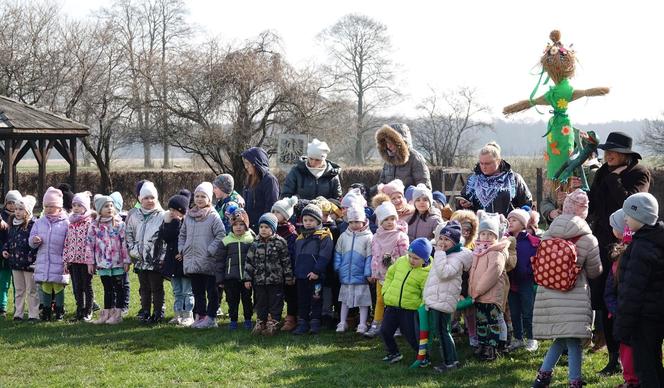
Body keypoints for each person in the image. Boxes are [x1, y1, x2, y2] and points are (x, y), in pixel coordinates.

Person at [587, 131, 651, 375]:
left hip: (628, 244)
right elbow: (594, 203)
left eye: (614, 151)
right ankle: (613, 357)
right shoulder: (603, 171)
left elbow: (632, 205)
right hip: (602, 241)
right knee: (604, 298)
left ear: (627, 154)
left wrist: (615, 180)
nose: (609, 155)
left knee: (623, 299)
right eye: (606, 151)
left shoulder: (639, 173)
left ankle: (630, 358)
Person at [531, 190, 602, 388]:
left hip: (549, 292)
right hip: (574, 293)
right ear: (584, 213)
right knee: (574, 341)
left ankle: (543, 377)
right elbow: (595, 271)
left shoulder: (548, 234)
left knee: (562, 337)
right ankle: (574, 381)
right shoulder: (588, 239)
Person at [614, 193, 664, 387]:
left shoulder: (641, 248)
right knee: (654, 362)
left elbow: (632, 290)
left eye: (628, 214)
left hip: (643, 318)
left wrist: (623, 324)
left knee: (645, 367)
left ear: (640, 217)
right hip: (656, 314)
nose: (625, 218)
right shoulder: (656, 240)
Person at [423, 221, 473, 373]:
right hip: (437, 299)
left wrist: (438, 253)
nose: (443, 243)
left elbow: (443, 273)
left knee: (443, 331)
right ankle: (452, 360)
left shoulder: (457, 258)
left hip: (443, 301)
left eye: (447, 240)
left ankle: (449, 363)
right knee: (442, 331)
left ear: (455, 242)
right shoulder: (447, 254)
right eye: (441, 238)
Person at [179, 182, 226, 329]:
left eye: (203, 196)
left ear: (209, 199)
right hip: (192, 260)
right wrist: (182, 249)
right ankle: (201, 316)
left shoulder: (213, 216)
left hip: (208, 260)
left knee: (211, 291)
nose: (199, 199)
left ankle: (211, 317)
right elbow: (182, 234)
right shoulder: (189, 216)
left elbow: (221, 235)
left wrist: (210, 250)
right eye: (197, 196)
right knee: (197, 291)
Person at [379, 238, 432, 364]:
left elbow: (426, 292)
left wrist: (421, 306)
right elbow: (390, 275)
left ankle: (424, 357)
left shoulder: (427, 273)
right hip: (392, 305)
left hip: (409, 309)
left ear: (424, 259)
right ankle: (394, 353)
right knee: (385, 331)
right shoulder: (401, 261)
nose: (411, 260)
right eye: (410, 256)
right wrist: (386, 292)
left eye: (416, 258)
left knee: (411, 336)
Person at [603, 209, 638, 388]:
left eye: (613, 226)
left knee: (633, 348)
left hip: (629, 311)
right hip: (622, 311)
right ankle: (631, 380)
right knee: (627, 348)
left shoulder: (627, 255)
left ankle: (634, 380)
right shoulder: (619, 255)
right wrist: (615, 309)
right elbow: (610, 289)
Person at [469, 211, 510, 361]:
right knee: (481, 322)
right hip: (478, 296)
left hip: (490, 296)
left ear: (496, 236)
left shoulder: (496, 252)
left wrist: (477, 290)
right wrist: (472, 290)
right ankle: (483, 344)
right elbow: (473, 273)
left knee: (493, 322)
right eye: (483, 233)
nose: (486, 237)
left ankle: (493, 347)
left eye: (490, 234)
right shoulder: (478, 251)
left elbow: (491, 274)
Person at [243, 213, 293, 336]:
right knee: (261, 302)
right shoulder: (255, 243)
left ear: (273, 228)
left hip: (275, 280)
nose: (263, 230)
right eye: (261, 227)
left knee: (275, 302)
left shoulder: (280, 242)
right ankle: (261, 321)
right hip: (259, 280)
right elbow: (249, 262)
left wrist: (288, 277)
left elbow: (286, 261)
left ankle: (274, 322)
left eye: (267, 227)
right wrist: (247, 278)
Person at [366, 201, 409, 338]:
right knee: (380, 300)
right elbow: (374, 256)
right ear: (380, 221)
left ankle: (396, 326)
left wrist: (395, 263)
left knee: (395, 301)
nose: (390, 222)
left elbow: (405, 256)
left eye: (392, 219)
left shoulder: (400, 236)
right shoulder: (376, 236)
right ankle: (376, 324)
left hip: (396, 275)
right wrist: (373, 272)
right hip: (381, 275)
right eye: (386, 219)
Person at [85, 194, 130, 325]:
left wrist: (126, 260)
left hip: (118, 262)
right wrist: (90, 262)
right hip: (102, 263)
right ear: (99, 209)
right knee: (108, 288)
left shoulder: (120, 224)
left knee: (119, 288)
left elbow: (124, 243)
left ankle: (118, 314)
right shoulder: (94, 226)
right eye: (106, 206)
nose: (109, 208)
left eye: (111, 205)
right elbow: (89, 244)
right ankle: (107, 312)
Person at [126, 181, 166, 324]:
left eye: (152, 198)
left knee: (156, 287)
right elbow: (129, 233)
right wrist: (133, 250)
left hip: (155, 259)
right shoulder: (134, 215)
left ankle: (158, 312)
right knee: (144, 287)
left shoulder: (162, 216)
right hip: (140, 259)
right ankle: (145, 311)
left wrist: (161, 256)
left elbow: (166, 239)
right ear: (140, 199)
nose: (149, 201)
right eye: (146, 198)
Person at [459, 142, 533, 216]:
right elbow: (462, 208)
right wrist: (464, 204)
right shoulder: (473, 180)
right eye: (481, 163)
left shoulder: (514, 179)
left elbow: (527, 204)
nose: (484, 167)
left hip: (508, 225)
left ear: (498, 161)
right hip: (480, 225)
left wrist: (519, 217)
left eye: (488, 163)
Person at [293, 204, 334, 335]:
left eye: (311, 220)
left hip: (316, 276)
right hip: (301, 276)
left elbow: (325, 256)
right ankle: (302, 323)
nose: (308, 223)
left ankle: (315, 323)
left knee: (316, 299)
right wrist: (296, 272)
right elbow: (296, 257)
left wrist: (316, 271)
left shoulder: (324, 236)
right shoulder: (300, 237)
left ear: (318, 220)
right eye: (305, 220)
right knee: (302, 300)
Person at [30, 187, 70, 321]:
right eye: (46, 206)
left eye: (51, 206)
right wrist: (34, 240)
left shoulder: (66, 223)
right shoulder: (39, 222)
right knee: (45, 286)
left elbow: (69, 242)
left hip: (59, 260)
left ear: (59, 207)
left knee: (58, 286)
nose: (48, 209)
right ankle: (46, 310)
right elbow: (31, 240)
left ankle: (59, 310)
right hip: (44, 260)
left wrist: (66, 259)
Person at [505, 207, 541, 352]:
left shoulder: (532, 241)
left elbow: (538, 260)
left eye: (514, 220)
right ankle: (518, 338)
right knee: (514, 312)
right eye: (509, 220)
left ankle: (532, 338)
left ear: (523, 223)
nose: (510, 222)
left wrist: (530, 272)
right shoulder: (506, 240)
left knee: (528, 311)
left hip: (526, 281)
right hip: (511, 281)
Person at [334, 204, 373, 334]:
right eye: (351, 222)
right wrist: (338, 267)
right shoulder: (343, 236)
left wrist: (367, 272)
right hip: (346, 275)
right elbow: (338, 253)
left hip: (360, 276)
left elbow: (369, 256)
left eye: (357, 221)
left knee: (363, 301)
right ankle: (342, 321)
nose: (354, 224)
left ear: (363, 221)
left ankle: (362, 323)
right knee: (344, 300)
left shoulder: (368, 237)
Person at [158, 190, 195, 327]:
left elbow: (190, 240)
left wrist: (183, 252)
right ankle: (177, 314)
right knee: (177, 291)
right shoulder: (170, 222)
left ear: (182, 211)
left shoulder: (188, 224)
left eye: (175, 210)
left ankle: (188, 315)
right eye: (170, 209)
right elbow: (166, 237)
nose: (172, 212)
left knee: (187, 291)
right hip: (173, 263)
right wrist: (169, 223)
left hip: (184, 263)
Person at [217, 208, 255, 331]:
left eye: (241, 224)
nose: (238, 227)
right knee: (232, 300)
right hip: (230, 278)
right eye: (235, 225)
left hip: (246, 278)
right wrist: (220, 279)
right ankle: (233, 320)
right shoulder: (226, 241)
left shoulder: (251, 240)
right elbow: (219, 261)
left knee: (246, 300)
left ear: (246, 225)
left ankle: (248, 320)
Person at [3, 195, 38, 321]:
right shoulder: (12, 224)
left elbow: (35, 244)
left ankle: (34, 314)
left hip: (29, 263)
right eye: (16, 209)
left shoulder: (33, 224)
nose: (17, 211)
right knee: (19, 290)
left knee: (31, 290)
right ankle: (18, 313)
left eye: (21, 209)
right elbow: (8, 240)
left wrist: (31, 256)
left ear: (27, 211)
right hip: (15, 262)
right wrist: (5, 250)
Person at [63, 191, 95, 321]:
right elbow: (67, 242)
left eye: (79, 205)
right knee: (77, 287)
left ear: (85, 207)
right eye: (74, 205)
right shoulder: (71, 223)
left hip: (85, 261)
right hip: (73, 260)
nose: (76, 208)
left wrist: (91, 261)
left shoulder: (89, 223)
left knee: (86, 286)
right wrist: (66, 260)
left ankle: (88, 310)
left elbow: (92, 243)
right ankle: (79, 310)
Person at [271, 196, 299, 331]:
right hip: (273, 270)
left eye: (278, 212)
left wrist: (291, 272)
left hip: (287, 269)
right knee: (275, 295)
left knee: (290, 295)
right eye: (273, 211)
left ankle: (291, 318)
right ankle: (274, 317)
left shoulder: (291, 233)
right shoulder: (270, 230)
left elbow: (293, 254)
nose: (274, 215)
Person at [375, 123, 431, 189]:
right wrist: (366, 191)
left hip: (409, 199)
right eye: (387, 142)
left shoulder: (415, 159)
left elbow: (424, 189)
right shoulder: (388, 159)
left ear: (400, 142)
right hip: (389, 199)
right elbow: (381, 185)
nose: (388, 146)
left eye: (391, 142)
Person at [241, 147, 279, 231]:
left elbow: (271, 206)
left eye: (248, 163)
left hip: (262, 229)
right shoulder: (249, 178)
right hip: (248, 227)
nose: (246, 167)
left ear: (256, 163)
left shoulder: (269, 180)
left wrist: (263, 226)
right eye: (244, 163)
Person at [0, 189, 21, 317]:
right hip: (4, 257)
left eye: (15, 203)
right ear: (6, 203)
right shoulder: (1, 217)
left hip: (19, 257)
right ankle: (2, 307)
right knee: (4, 283)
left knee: (18, 285)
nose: (12, 206)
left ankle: (17, 308)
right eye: (10, 202)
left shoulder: (22, 217)